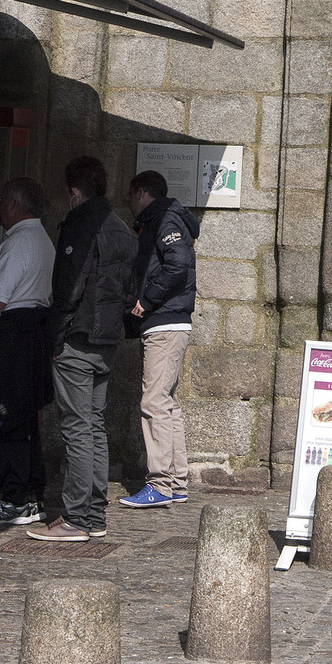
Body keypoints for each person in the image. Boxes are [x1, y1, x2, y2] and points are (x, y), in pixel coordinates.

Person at [29, 156, 137, 543]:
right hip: (106, 340)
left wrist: (55, 341)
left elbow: (68, 289)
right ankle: (93, 515)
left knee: (77, 427)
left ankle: (76, 518)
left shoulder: (81, 225)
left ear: (75, 192)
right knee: (93, 426)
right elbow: (129, 291)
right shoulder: (122, 228)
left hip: (78, 337)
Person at [0, 177, 54, 528]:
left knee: (6, 419)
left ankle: (14, 499)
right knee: (25, 421)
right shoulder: (42, 239)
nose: (0, 209)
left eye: (3, 202)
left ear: (13, 204)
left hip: (11, 337)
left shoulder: (21, 241)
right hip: (30, 333)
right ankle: (31, 495)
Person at [120, 169, 198, 509]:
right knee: (166, 403)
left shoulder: (164, 220)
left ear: (140, 193)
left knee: (153, 402)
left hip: (164, 323)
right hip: (170, 322)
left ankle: (161, 484)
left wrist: (146, 299)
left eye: (129, 197)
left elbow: (177, 264)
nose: (129, 204)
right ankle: (176, 481)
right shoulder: (163, 219)